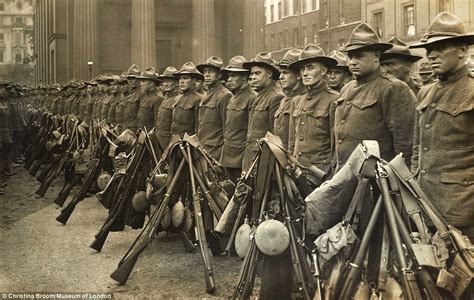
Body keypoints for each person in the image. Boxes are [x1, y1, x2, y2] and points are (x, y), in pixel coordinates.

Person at [409, 12, 474, 244]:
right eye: (428, 50)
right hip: (427, 204)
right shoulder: (426, 91)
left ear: (463, 50)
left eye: (441, 47)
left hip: (463, 209)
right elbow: (418, 148)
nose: (432, 55)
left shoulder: (472, 90)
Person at [334, 23, 416, 171]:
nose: (352, 62)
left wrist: (398, 184)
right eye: (350, 56)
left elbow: (405, 146)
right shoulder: (346, 89)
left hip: (376, 183)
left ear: (377, 57)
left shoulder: (393, 88)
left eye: (359, 56)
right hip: (344, 177)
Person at [288, 44, 339, 173]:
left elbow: (336, 145)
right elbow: (292, 141)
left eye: (310, 68)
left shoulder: (334, 100)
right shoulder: (296, 101)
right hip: (298, 171)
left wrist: (331, 175)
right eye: (302, 69)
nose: (305, 73)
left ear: (323, 71)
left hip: (321, 172)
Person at [241, 52, 284, 171]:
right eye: (252, 74)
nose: (253, 77)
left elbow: (275, 136)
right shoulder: (259, 95)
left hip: (262, 161)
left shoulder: (276, 97)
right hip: (251, 158)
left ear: (269, 73)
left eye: (257, 73)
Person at [220, 56, 256, 182]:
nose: (229, 80)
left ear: (245, 77)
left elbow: (251, 132)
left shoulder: (252, 98)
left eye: (234, 76)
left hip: (240, 158)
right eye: (229, 76)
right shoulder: (232, 97)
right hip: (228, 156)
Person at [196, 56, 232, 160]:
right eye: (205, 71)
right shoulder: (206, 95)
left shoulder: (225, 95)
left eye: (211, 71)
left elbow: (226, 127)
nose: (206, 75)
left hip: (215, 151)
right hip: (202, 148)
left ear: (219, 74)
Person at [273, 48, 305, 149]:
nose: (281, 77)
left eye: (285, 73)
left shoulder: (303, 100)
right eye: (280, 73)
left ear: (298, 76)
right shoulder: (283, 100)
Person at [170, 62, 203, 138]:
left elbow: (198, 127)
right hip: (175, 141)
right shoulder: (178, 98)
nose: (181, 81)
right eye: (180, 78)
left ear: (194, 80)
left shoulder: (199, 99)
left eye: (185, 78)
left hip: (188, 144)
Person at [155, 66, 180, 151]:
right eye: (164, 81)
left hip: (169, 143)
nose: (165, 84)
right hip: (159, 141)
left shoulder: (178, 99)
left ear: (176, 83)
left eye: (169, 81)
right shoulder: (165, 98)